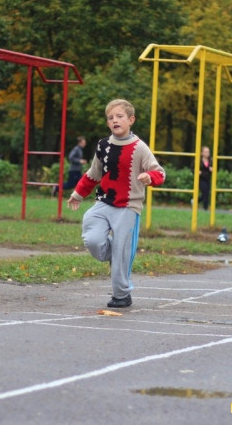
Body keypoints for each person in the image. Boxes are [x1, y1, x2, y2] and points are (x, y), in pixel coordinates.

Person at [67, 99, 165, 308]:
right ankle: (116, 252)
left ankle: (121, 295)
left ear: (131, 120)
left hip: (128, 207)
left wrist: (149, 177)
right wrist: (78, 194)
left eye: (119, 116)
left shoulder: (139, 147)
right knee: (92, 235)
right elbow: (93, 173)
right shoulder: (103, 145)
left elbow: (159, 172)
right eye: (111, 118)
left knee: (123, 252)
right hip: (104, 203)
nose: (115, 120)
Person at [198, 146, 213, 211]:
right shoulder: (199, 161)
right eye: (205, 152)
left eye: (208, 152)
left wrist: (212, 169)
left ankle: (196, 201)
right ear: (202, 153)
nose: (207, 153)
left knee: (207, 193)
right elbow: (193, 168)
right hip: (201, 179)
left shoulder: (211, 161)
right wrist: (198, 172)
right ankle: (205, 208)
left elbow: (215, 169)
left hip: (208, 179)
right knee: (204, 192)